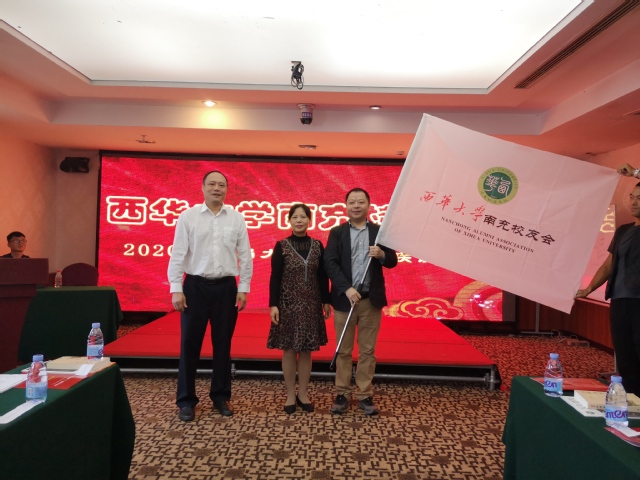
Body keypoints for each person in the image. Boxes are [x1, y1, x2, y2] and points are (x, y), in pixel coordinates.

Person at [168, 170, 253, 421]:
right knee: (189, 344)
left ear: (227, 189)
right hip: (194, 287)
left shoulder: (236, 218)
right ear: (203, 187)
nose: (217, 188)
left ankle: (220, 396)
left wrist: (243, 287)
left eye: (222, 185)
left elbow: (245, 254)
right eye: (212, 184)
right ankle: (186, 400)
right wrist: (176, 288)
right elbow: (178, 253)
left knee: (223, 344)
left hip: (226, 288)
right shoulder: (188, 216)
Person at [324, 188, 398, 415]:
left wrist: (382, 255)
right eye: (352, 202)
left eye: (360, 202)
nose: (356, 206)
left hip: (370, 301)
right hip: (345, 300)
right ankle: (342, 393)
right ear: (346, 206)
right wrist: (346, 289)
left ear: (368, 205)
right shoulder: (337, 232)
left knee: (367, 351)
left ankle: (365, 394)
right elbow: (330, 263)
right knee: (343, 351)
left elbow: (392, 260)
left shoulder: (379, 232)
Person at [576, 163, 640, 396]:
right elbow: (608, 265)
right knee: (625, 356)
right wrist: (588, 289)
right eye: (632, 197)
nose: (634, 202)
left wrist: (636, 173)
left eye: (639, 198)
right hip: (620, 300)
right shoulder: (623, 230)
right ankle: (631, 401)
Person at [267, 203, 332, 414]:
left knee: (306, 350)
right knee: (288, 349)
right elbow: (275, 277)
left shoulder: (317, 245)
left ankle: (303, 393)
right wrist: (273, 304)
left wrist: (326, 301)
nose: (299, 220)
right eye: (295, 217)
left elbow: (322, 276)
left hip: (311, 304)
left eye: (303, 217)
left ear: (309, 220)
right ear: (289, 220)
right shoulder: (281, 246)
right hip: (287, 305)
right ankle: (290, 394)